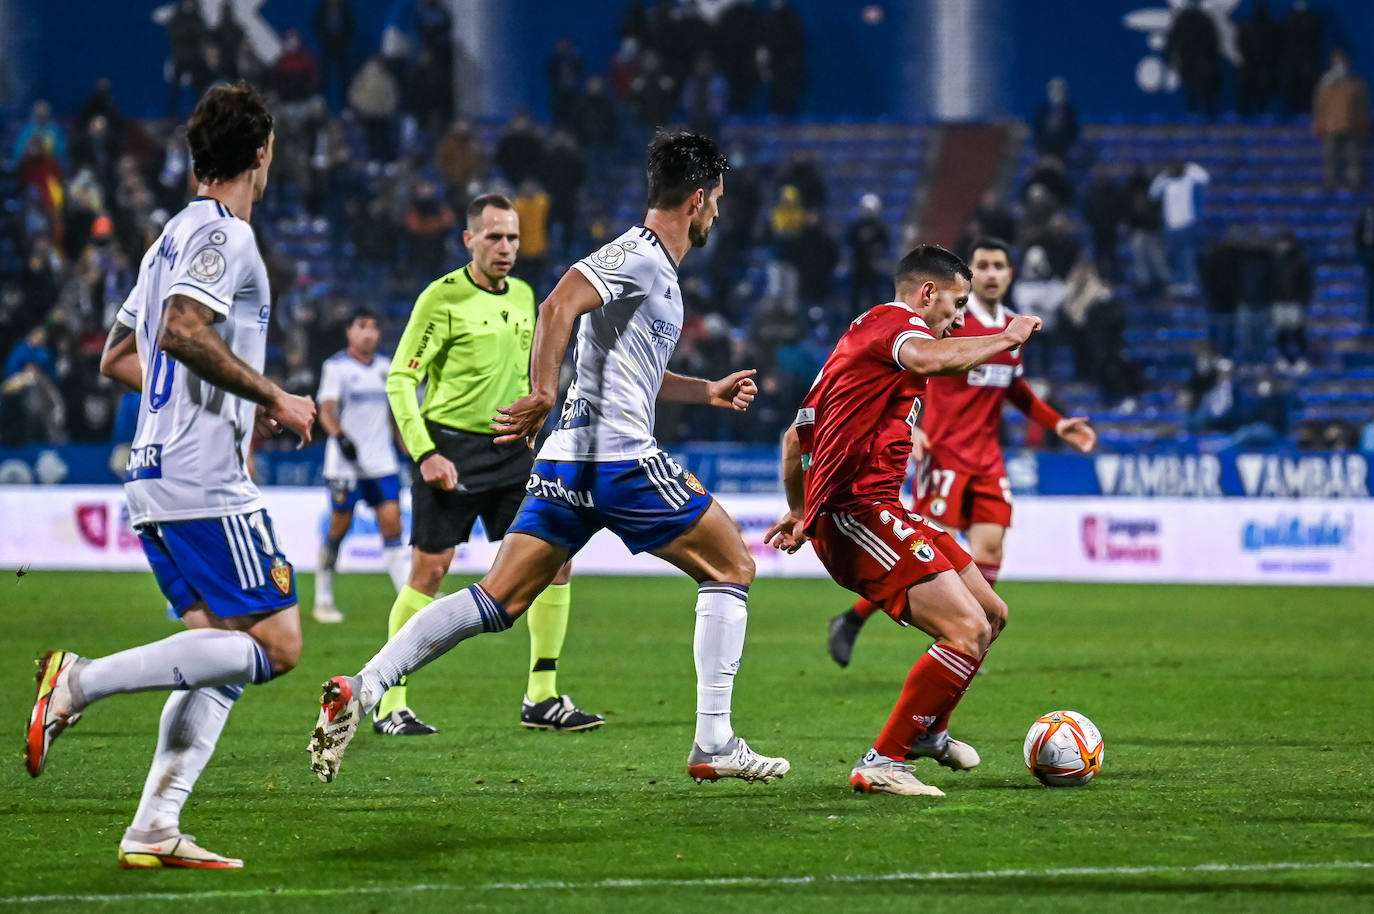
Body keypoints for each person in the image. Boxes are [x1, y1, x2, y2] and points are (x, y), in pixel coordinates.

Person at [310, 131, 789, 785]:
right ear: (699, 199)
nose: (717, 216)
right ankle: (714, 742)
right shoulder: (641, 255)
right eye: (717, 203)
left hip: (564, 463)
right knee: (732, 562)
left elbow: (628, 366)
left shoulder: (649, 272)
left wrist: (704, 390)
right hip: (616, 459)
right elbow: (558, 302)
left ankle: (363, 687)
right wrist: (541, 389)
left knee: (495, 600)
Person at [27, 83, 316, 869]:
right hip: (204, 481)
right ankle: (80, 682)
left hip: (154, 472)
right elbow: (184, 331)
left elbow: (119, 356)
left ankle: (156, 824)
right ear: (262, 153)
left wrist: (230, 400)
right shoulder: (227, 236)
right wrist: (272, 394)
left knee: (216, 651)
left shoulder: (166, 241)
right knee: (280, 643)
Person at [765, 244, 1036, 796]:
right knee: (966, 632)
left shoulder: (862, 343)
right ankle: (883, 761)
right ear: (927, 293)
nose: (958, 320)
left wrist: (798, 508)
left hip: (879, 508)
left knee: (992, 613)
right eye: (956, 305)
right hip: (855, 515)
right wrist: (1004, 338)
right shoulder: (897, 326)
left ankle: (928, 731)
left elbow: (796, 436)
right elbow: (928, 358)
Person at [370, 192, 599, 738]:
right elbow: (402, 377)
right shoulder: (441, 298)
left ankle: (541, 695)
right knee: (430, 572)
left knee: (555, 560)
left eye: (513, 237)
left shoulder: (524, 295)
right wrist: (425, 453)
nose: (505, 247)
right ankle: (388, 700)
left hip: (511, 450)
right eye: (494, 236)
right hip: (450, 448)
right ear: (469, 239)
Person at [824, 239, 1096, 667]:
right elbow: (921, 369)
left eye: (998, 266)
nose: (990, 273)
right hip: (944, 451)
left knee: (990, 549)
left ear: (1009, 275)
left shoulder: (1010, 328)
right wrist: (914, 431)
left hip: (987, 456)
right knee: (924, 548)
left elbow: (1015, 388)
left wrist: (1056, 423)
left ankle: (970, 638)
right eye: (983, 265)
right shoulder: (947, 323)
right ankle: (862, 620)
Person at [311, 309, 408, 624]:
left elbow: (394, 415)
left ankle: (408, 599)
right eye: (362, 326)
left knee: (393, 527)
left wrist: (408, 448)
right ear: (349, 331)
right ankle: (323, 599)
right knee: (338, 530)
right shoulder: (336, 368)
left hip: (381, 463)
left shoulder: (386, 368)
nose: (370, 333)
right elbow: (326, 410)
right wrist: (340, 437)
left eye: (375, 327)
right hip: (345, 467)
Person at [1312, 49, 1370, 190]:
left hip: (1351, 125)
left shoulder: (1355, 84)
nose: (1339, 66)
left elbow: (1362, 105)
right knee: (1330, 156)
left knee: (1353, 156)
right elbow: (1319, 105)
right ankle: (1330, 181)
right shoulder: (1325, 85)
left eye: (1342, 62)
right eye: (1336, 62)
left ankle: (1355, 181)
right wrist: (1319, 122)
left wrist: (1363, 122)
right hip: (1330, 126)